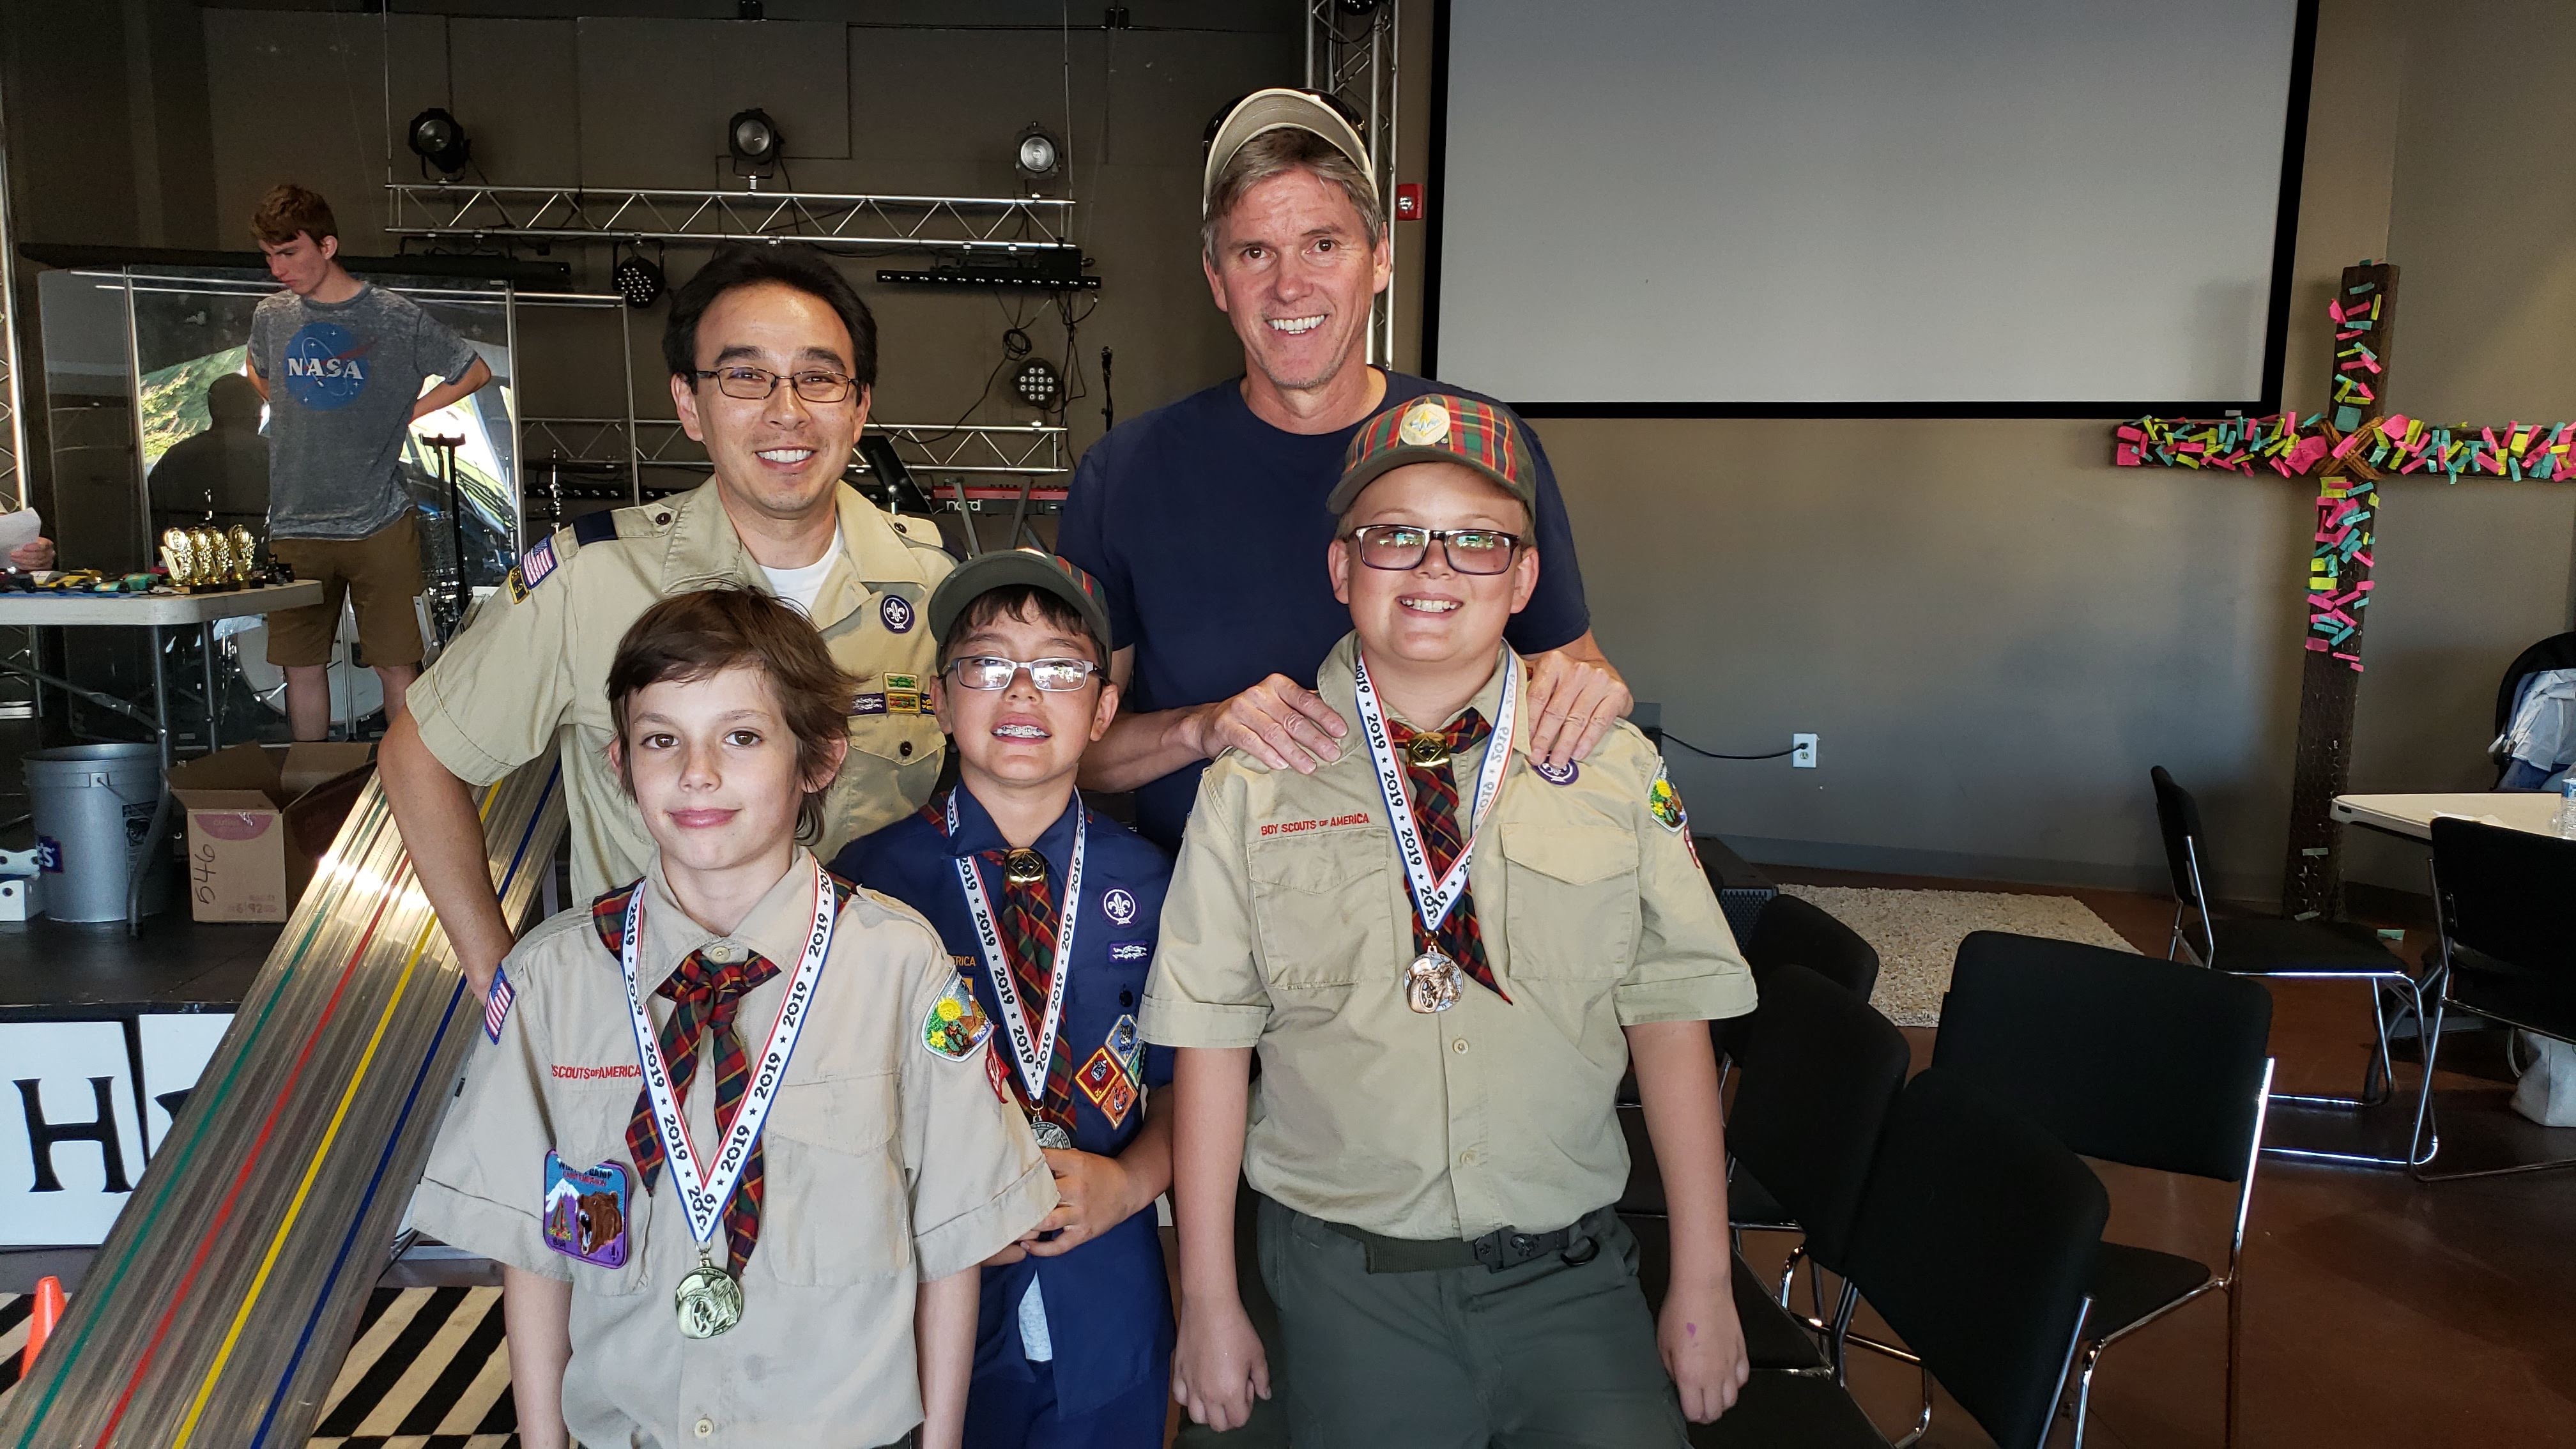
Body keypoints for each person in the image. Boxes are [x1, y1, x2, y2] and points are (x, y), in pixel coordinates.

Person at [1143, 394, 1756, 1447]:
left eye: (1477, 540)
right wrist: (1207, 1297)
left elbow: (1671, 1017)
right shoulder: (1255, 782)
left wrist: (1702, 1278)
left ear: (1524, 577)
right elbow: (1210, 1039)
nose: (1434, 568)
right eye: (1394, 535)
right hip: (1345, 1276)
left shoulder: (1609, 768)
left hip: (1568, 1274)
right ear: (1342, 568)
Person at [411, 587, 1057, 1449]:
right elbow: (535, 1256)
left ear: (818, 759)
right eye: (661, 740)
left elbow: (952, 1245)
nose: (698, 772)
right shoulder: (555, 982)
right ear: (620, 764)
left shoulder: (900, 969)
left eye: (742, 737)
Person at [1057, 88, 1633, 856]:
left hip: (1454, 888)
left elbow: (1574, 669)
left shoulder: (1484, 445)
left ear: (1381, 257)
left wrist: (1594, 688)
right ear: (1216, 278)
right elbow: (1071, 748)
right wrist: (1202, 727)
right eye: (1255, 252)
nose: (1289, 285)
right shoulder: (1125, 473)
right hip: (1212, 900)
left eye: (1323, 244)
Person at [379, 242, 954, 1000]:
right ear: (689, 403)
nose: (787, 411)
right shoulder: (592, 581)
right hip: (645, 1027)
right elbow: (420, 756)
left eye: (818, 378)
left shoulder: (932, 589)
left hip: (866, 1018)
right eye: (746, 376)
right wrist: (499, 979)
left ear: (859, 407)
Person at [835, 549, 1176, 1449]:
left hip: (1107, 1295)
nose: (1022, 691)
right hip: (922, 1299)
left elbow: (1193, 1084)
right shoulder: (864, 883)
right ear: (940, 701)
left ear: (1103, 709)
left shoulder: (1157, 883)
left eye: (1060, 669)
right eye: (987, 664)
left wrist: (1130, 1183)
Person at [246, 183, 494, 739]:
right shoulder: (272, 315)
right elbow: (255, 369)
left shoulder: (392, 315)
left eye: (289, 253)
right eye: (269, 256)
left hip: (378, 520)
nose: (278, 268)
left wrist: (409, 411)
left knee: (396, 664)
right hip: (296, 521)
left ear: (327, 245)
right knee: (300, 666)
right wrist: (291, 407)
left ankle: (404, 782)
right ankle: (312, 781)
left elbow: (473, 371)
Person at [149, 373, 272, 532]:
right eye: (258, 408)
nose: (260, 416)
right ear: (253, 411)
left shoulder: (176, 457)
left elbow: (152, 520)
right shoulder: (270, 455)